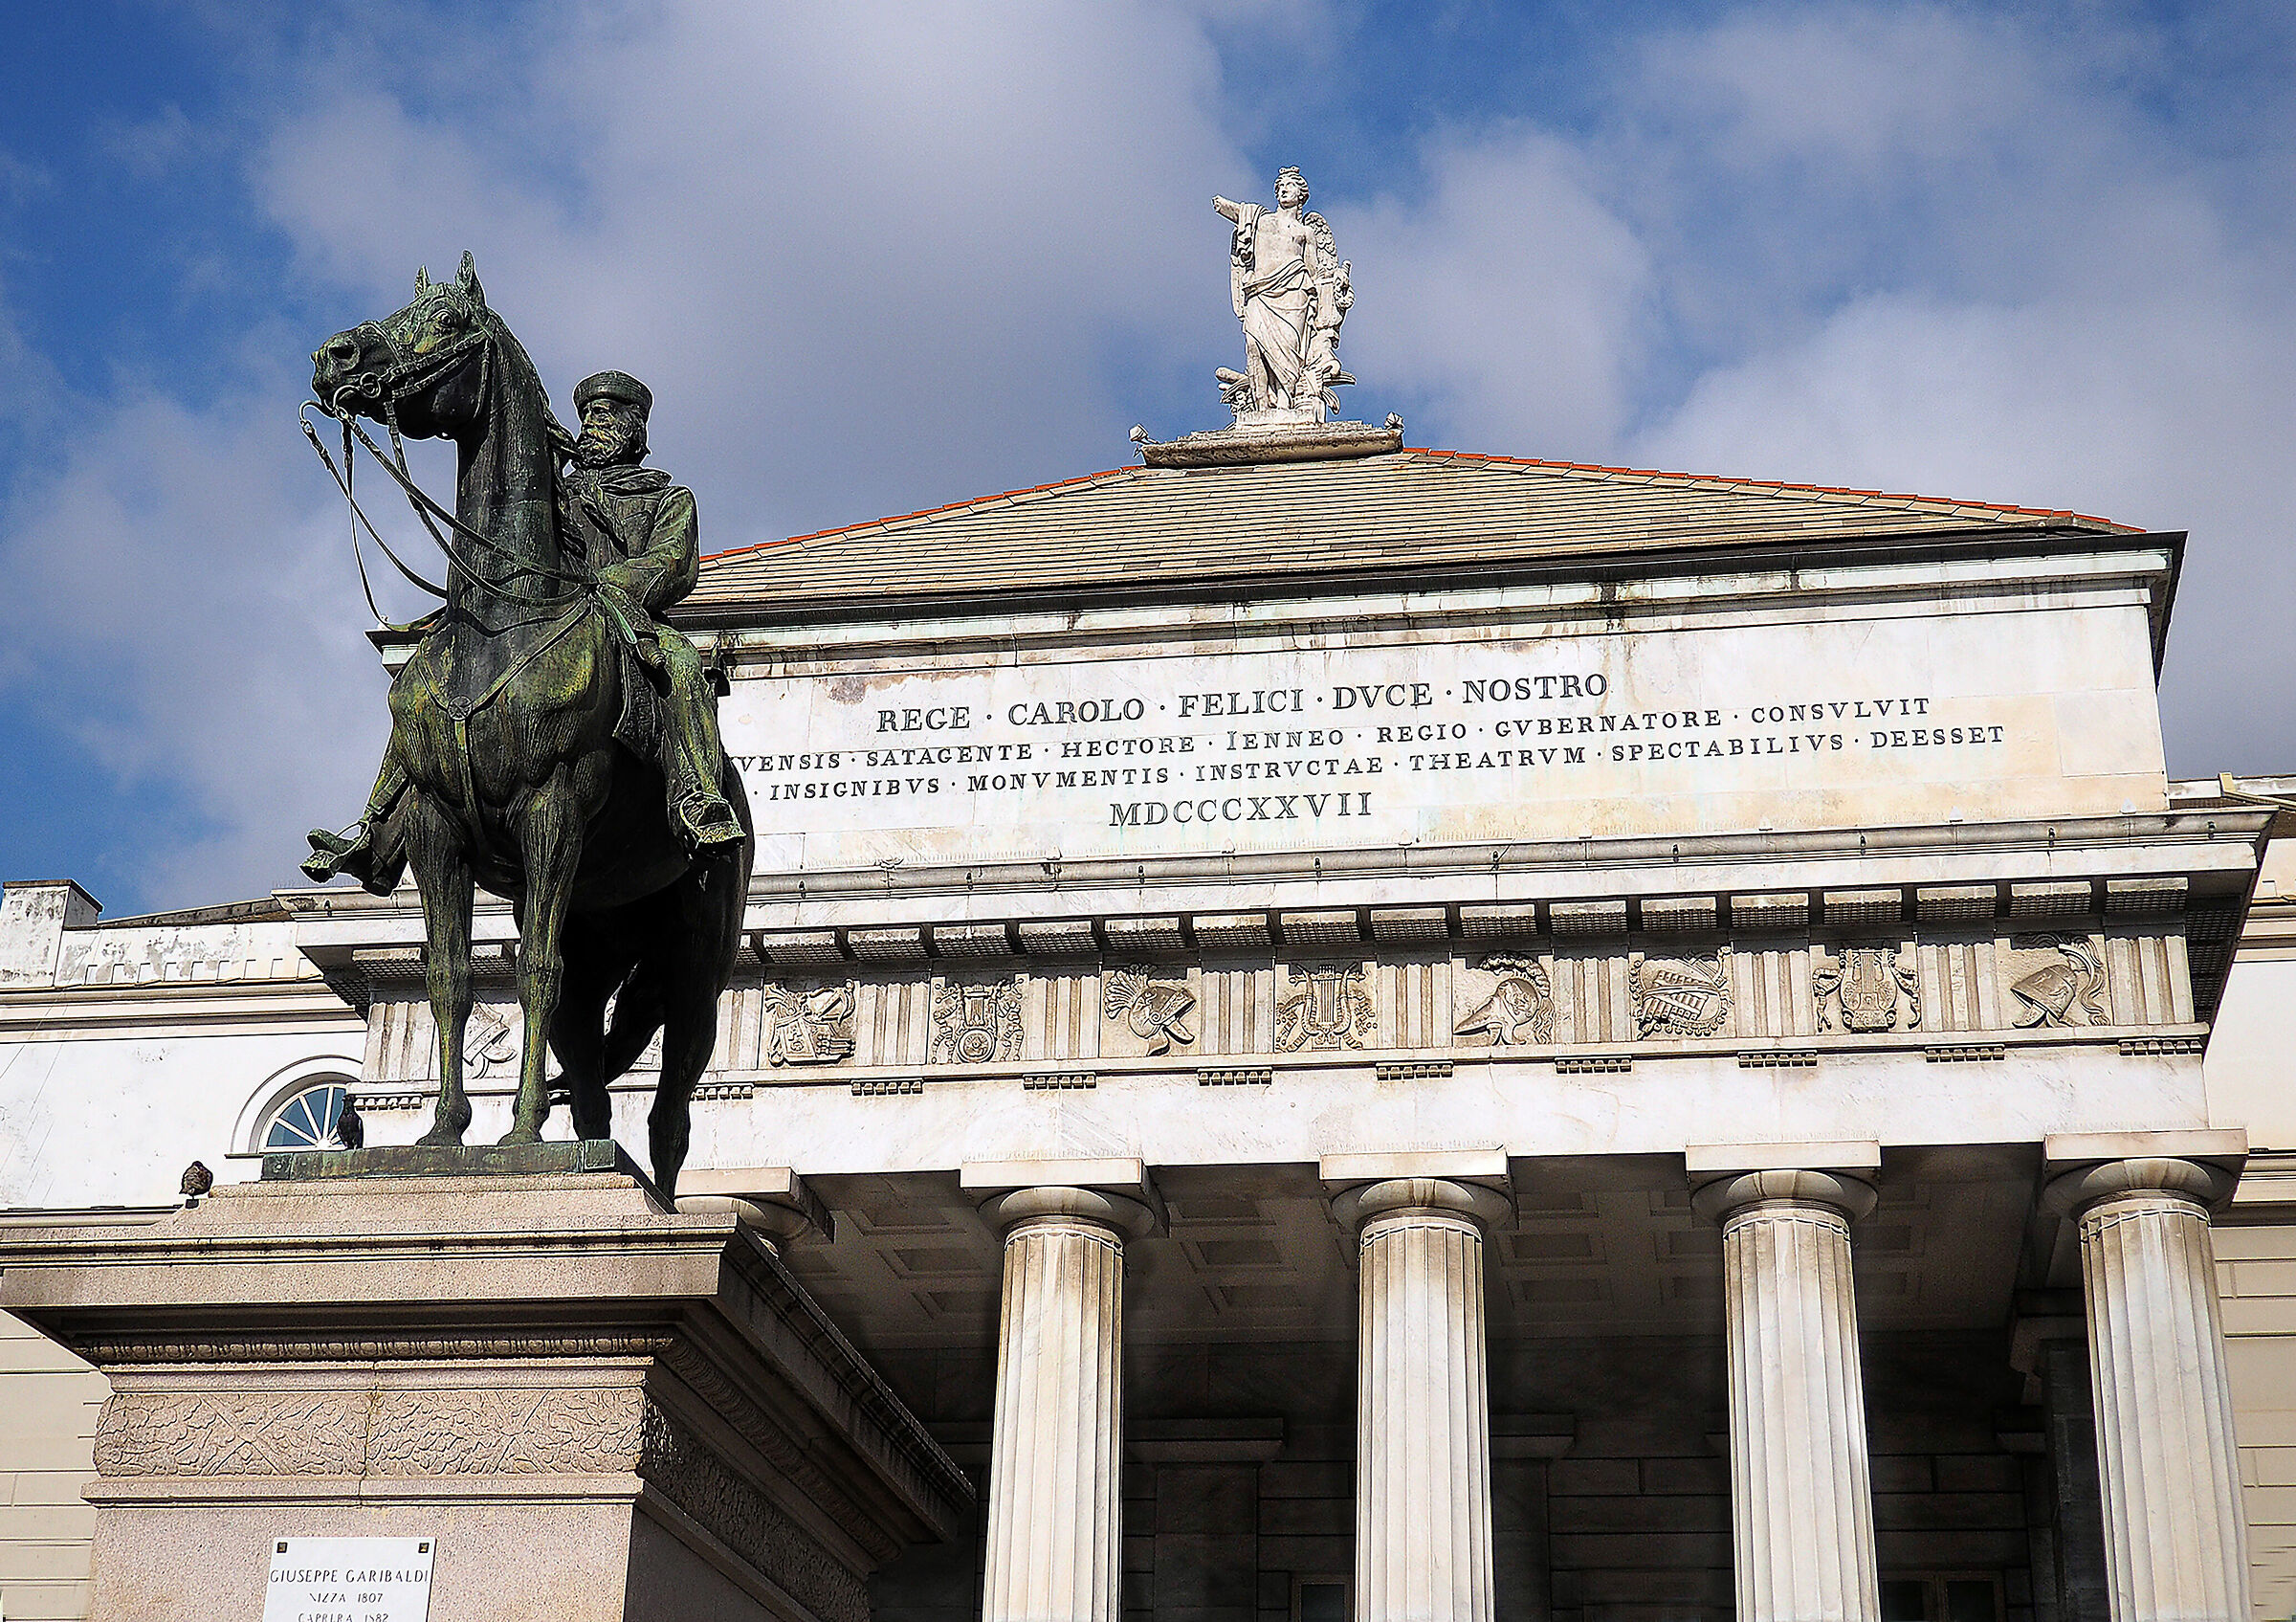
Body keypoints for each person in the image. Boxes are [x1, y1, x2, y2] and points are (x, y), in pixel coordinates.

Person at [303, 368, 741, 892]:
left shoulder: (666, 499)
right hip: (550, 617)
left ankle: (697, 797)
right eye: (587, 417)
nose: (592, 426)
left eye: (605, 416)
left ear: (633, 430)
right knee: (427, 682)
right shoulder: (557, 491)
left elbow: (672, 564)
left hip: (624, 615)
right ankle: (379, 830)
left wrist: (607, 583)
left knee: (683, 666)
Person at [1212, 167, 1348, 418]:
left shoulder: (1306, 232)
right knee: (1254, 344)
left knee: (1290, 351)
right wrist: (1220, 204)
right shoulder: (1259, 219)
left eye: (1289, 185)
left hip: (1295, 292)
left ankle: (1285, 404)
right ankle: (1261, 406)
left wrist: (1331, 299)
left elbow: (1314, 271)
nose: (1283, 189)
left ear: (1301, 194)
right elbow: (1237, 213)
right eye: (1279, 186)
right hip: (1260, 291)